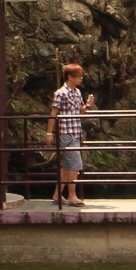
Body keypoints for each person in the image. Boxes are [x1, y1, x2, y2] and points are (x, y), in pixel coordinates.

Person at [52, 63, 96, 206]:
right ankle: (72, 195)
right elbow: (53, 113)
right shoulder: (61, 93)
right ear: (70, 77)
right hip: (66, 131)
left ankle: (57, 195)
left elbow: (80, 111)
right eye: (78, 76)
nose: (80, 79)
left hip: (75, 131)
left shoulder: (77, 92)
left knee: (67, 165)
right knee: (75, 164)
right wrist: (49, 133)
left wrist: (87, 105)